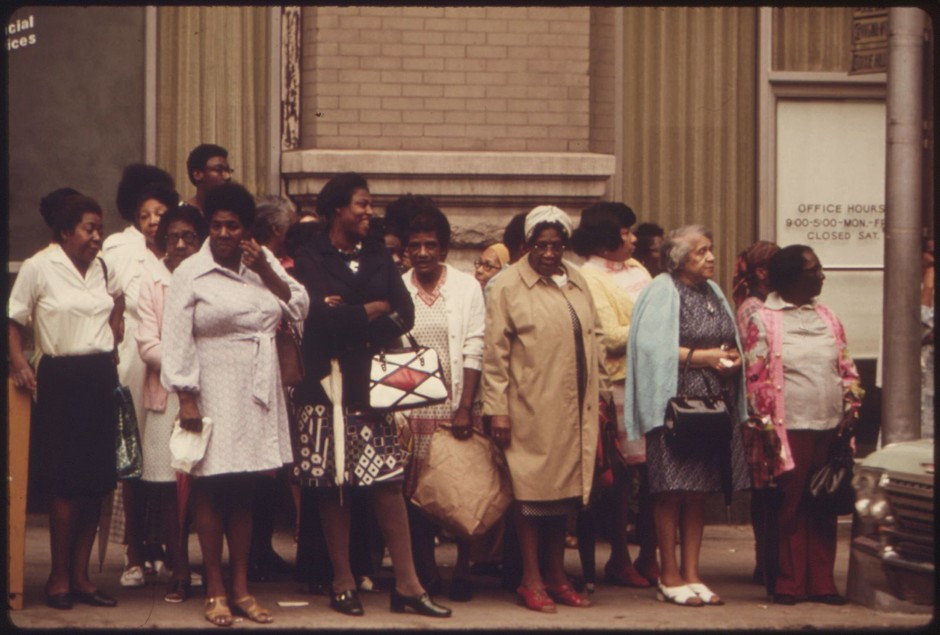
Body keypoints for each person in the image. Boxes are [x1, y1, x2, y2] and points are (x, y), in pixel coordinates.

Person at [291, 172, 451, 618]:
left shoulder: (379, 253)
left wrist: (357, 315)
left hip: (372, 386)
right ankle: (342, 581)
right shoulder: (309, 256)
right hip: (323, 387)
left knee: (387, 482)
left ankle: (408, 586)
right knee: (332, 484)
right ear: (338, 208)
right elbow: (319, 320)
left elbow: (406, 311)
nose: (368, 211)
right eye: (361, 203)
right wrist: (372, 310)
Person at [161, 182, 309, 626]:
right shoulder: (191, 272)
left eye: (234, 226)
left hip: (256, 387)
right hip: (209, 386)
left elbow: (300, 306)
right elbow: (176, 337)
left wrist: (265, 267)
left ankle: (242, 588)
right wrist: (186, 397)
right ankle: (215, 589)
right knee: (209, 487)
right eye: (218, 224)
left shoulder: (259, 265)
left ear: (248, 230)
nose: (224, 233)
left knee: (245, 488)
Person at [483, 205, 605, 613]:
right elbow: (495, 354)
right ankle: (530, 578)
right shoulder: (507, 286)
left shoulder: (577, 281)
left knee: (566, 497)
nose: (550, 253)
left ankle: (557, 575)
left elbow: (595, 336)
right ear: (527, 245)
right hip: (530, 405)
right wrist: (497, 409)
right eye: (541, 245)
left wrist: (599, 397)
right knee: (532, 497)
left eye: (557, 245)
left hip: (575, 409)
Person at [624, 224, 750, 607]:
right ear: (680, 259)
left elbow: (727, 338)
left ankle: (693, 573)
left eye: (710, 249)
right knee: (670, 491)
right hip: (675, 406)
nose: (711, 257)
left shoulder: (712, 291)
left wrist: (730, 359)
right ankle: (669, 574)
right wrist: (704, 358)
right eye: (701, 252)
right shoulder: (662, 289)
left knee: (698, 492)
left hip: (712, 405)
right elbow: (650, 346)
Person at [9, 194, 123, 610]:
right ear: (64, 231)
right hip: (60, 379)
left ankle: (81, 576)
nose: (97, 236)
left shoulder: (102, 267)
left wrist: (113, 337)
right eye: (90, 228)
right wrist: (21, 362)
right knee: (64, 484)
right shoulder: (40, 266)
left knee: (95, 483)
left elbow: (117, 302)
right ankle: (58, 577)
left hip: (99, 378)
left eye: (99, 228)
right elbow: (13, 319)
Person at [743, 244, 864, 606]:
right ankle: (789, 583)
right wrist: (765, 428)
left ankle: (822, 583)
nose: (821, 275)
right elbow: (756, 377)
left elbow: (846, 366)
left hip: (830, 427)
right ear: (792, 277)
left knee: (823, 502)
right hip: (787, 428)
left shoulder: (827, 316)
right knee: (790, 505)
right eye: (814, 270)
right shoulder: (763, 319)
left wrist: (852, 406)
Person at [399, 199, 486, 602]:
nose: (422, 252)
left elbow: (473, 347)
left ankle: (465, 568)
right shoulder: (398, 287)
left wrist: (465, 407)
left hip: (456, 406)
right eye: (414, 245)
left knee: (462, 490)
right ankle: (426, 570)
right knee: (418, 494)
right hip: (413, 409)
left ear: (444, 249)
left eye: (430, 245)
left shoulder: (466, 287)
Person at [570, 202, 654, 591]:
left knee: (655, 473)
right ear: (607, 237)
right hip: (616, 385)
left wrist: (646, 327)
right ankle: (618, 557)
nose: (633, 238)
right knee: (618, 477)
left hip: (651, 381)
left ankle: (649, 555)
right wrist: (654, 327)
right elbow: (610, 335)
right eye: (626, 232)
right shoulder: (587, 275)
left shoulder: (638, 269)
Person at [103, 164, 178, 588]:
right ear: (134, 214)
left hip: (168, 362)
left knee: (165, 460)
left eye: (160, 213)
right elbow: (111, 300)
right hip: (132, 356)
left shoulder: (176, 252)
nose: (153, 221)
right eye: (145, 214)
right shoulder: (118, 247)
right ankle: (134, 552)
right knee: (132, 458)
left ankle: (163, 547)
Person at [135, 204, 209, 603]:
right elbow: (148, 345)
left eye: (189, 238)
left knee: (211, 486)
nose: (180, 245)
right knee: (167, 488)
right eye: (173, 238)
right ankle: (179, 570)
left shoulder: (211, 277)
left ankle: (212, 570)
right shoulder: (153, 281)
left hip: (210, 395)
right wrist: (191, 363)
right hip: (165, 396)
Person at [730, 239, 780, 589]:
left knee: (768, 492)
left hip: (763, 409)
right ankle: (767, 561)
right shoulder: (753, 308)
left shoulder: (766, 304)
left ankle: (769, 560)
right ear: (763, 272)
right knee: (765, 492)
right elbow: (754, 364)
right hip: (759, 411)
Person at [185, 143, 233, 212]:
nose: (227, 176)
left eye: (228, 170)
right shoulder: (181, 214)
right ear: (197, 175)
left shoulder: (234, 212)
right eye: (219, 169)